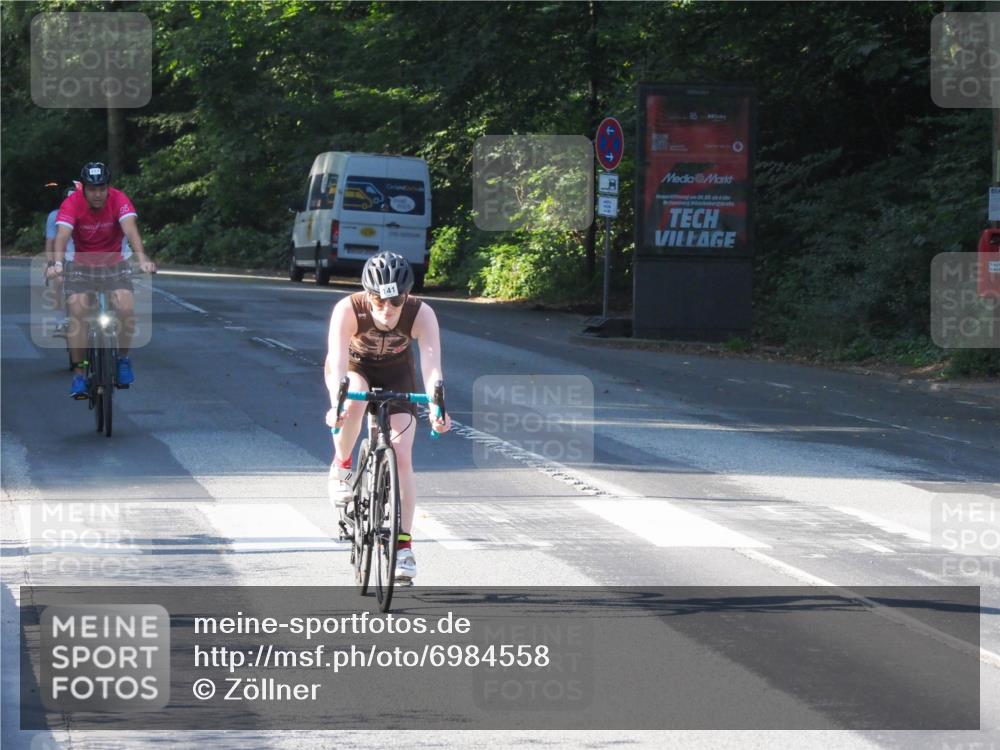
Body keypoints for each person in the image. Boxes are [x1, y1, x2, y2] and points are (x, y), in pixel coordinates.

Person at [324, 252, 451, 584]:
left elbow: (432, 365)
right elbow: (336, 362)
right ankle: (343, 463)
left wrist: (438, 406)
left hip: (398, 375)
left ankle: (403, 546)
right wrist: (335, 404)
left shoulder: (421, 314)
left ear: (406, 295)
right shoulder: (348, 309)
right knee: (352, 401)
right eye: (379, 301)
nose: (387, 310)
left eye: (395, 302)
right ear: (368, 295)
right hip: (355, 370)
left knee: (402, 452)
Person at [44, 162, 157, 398]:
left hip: (114, 264)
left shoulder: (119, 199)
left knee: (126, 307)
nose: (97, 193)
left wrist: (142, 258)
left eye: (102, 188)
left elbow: (131, 230)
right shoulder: (72, 203)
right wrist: (56, 264)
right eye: (92, 189)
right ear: (83, 188)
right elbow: (62, 236)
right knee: (77, 311)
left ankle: (123, 359)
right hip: (81, 265)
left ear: (108, 187)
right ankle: (79, 374)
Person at [44, 184, 77, 335]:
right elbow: (50, 242)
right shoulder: (55, 216)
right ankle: (60, 320)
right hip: (63, 255)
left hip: (85, 255)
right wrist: (51, 263)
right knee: (59, 282)